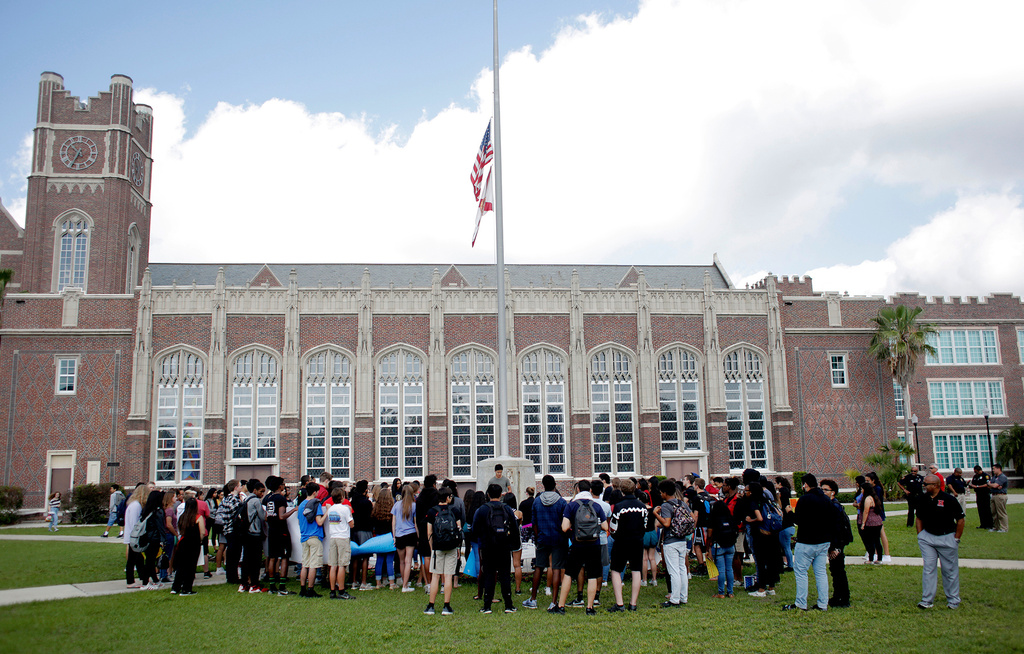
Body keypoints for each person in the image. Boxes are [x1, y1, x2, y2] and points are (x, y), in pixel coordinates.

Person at [550, 479, 607, 616]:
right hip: (594, 544)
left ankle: (561, 606)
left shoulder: (572, 506)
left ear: (577, 490)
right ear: (591, 490)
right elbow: (605, 526)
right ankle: (589, 607)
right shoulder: (597, 506)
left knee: (569, 574)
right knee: (592, 575)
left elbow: (564, 527)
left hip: (577, 544)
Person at [781, 474, 830, 612]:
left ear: (806, 485)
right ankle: (822, 604)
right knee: (820, 572)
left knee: (801, 572)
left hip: (807, 541)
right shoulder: (826, 499)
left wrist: (790, 512)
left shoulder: (804, 499)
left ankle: (801, 603)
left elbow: (798, 520)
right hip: (823, 540)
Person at [916, 474, 965, 609]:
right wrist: (921, 535)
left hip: (947, 537)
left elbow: (960, 520)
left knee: (949, 570)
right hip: (928, 538)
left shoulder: (949, 500)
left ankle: (953, 600)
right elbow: (918, 517)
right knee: (928, 569)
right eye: (924, 483)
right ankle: (927, 600)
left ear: (936, 485)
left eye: (927, 484)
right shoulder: (922, 499)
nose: (924, 486)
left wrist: (956, 538)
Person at [474, 483, 518, 614]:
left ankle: (487, 606)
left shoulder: (482, 509)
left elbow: (475, 529)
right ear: (501, 495)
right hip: (504, 546)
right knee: (505, 575)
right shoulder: (507, 509)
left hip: (487, 546)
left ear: (488, 495)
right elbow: (515, 529)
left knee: (489, 575)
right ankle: (509, 605)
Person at [525, 474, 567, 610]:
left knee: (538, 567)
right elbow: (564, 521)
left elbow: (534, 522)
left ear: (543, 485)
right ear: (554, 484)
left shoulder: (537, 501)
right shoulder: (561, 502)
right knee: (556, 568)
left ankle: (533, 599)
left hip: (543, 537)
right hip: (558, 538)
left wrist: (538, 536)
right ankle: (554, 602)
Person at [606, 478, 647, 612]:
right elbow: (645, 525)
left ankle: (619, 603)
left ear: (622, 490)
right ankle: (633, 603)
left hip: (621, 541)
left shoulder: (619, 506)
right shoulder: (642, 506)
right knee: (636, 570)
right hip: (637, 541)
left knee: (616, 570)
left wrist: (615, 535)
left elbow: (612, 527)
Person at [424, 486, 462, 615]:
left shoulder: (432, 511)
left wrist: (432, 547)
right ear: (448, 498)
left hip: (437, 547)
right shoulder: (454, 511)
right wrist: (457, 547)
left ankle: (431, 605)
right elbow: (458, 529)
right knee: (448, 576)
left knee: (435, 576)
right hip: (451, 546)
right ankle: (446, 606)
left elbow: (429, 532)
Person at [655, 479, 691, 607]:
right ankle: (683, 596)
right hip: (682, 539)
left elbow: (666, 523)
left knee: (673, 570)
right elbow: (691, 517)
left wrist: (656, 514)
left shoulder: (666, 505)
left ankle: (674, 599)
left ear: (665, 492)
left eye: (661, 492)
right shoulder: (681, 503)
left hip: (671, 540)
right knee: (682, 569)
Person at [821, 479, 852, 608]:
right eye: (821, 489)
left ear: (833, 492)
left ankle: (843, 598)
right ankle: (838, 596)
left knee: (838, 571)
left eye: (825, 490)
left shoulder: (834, 506)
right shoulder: (831, 505)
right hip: (835, 543)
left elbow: (837, 528)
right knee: (835, 570)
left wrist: (836, 547)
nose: (823, 492)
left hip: (837, 543)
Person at [745, 481, 780, 597]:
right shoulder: (766, 499)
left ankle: (761, 589)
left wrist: (751, 520)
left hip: (760, 535)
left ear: (751, 492)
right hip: (772, 534)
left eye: (747, 490)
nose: (745, 493)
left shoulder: (754, 502)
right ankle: (771, 587)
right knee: (771, 561)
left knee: (760, 562)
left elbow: (759, 518)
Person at [708, 477, 740, 598]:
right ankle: (730, 592)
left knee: (721, 570)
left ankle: (721, 592)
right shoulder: (729, 517)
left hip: (719, 545)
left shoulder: (714, 518)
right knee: (729, 569)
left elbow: (710, 534)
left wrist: (709, 546)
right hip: (730, 545)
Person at [264, 476, 296, 595]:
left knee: (272, 557)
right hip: (281, 530)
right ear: (279, 486)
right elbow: (282, 516)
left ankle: (272, 586)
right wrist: (294, 510)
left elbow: (267, 515)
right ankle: (282, 587)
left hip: (272, 530)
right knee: (284, 557)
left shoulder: (268, 498)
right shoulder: (280, 498)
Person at [170, 497, 206, 596]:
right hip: (193, 544)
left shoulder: (182, 517)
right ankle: (186, 589)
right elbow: (202, 532)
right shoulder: (198, 517)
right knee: (191, 567)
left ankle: (175, 587)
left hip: (183, 543)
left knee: (181, 566)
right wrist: (200, 539)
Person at [297, 481, 327, 597]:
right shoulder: (316, 504)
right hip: (314, 536)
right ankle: (311, 589)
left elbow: (300, 522)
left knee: (305, 564)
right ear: (315, 492)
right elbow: (319, 522)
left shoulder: (301, 505)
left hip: (304, 536)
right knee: (314, 565)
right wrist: (326, 513)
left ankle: (302, 588)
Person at [325, 486, 356, 600]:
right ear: (342, 497)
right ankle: (341, 590)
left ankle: (332, 590)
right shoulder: (345, 509)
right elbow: (351, 524)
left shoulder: (331, 509)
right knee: (342, 565)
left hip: (333, 536)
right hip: (343, 537)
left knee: (333, 565)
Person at [239, 479, 267, 593]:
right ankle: (254, 584)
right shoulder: (256, 501)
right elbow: (262, 516)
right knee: (255, 560)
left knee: (246, 559)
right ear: (255, 490)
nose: (262, 494)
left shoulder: (246, 499)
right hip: (255, 533)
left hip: (246, 532)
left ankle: (244, 583)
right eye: (261, 491)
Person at [416, 475, 439, 593]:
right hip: (435, 527)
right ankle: (439, 582)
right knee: (437, 554)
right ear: (434, 483)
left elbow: (418, 515)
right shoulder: (436, 495)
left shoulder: (420, 497)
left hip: (423, 527)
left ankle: (428, 583)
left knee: (426, 556)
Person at [392, 484, 418, 592]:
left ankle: (404, 582)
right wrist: (418, 536)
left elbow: (393, 522)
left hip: (399, 534)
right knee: (408, 561)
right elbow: (415, 523)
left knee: (401, 561)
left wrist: (394, 536)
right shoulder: (413, 505)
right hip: (410, 533)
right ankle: (405, 585)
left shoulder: (397, 505)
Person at [350, 480, 375, 591]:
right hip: (365, 529)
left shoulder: (352, 501)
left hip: (354, 530)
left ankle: (354, 581)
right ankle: (364, 582)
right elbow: (371, 515)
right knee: (365, 556)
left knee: (355, 557)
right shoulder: (367, 503)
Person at [123, 483, 148, 588]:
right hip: (134, 537)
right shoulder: (136, 506)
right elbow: (135, 523)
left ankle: (142, 578)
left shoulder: (133, 504)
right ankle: (131, 581)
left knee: (138, 559)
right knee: (133, 559)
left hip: (132, 536)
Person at [372, 486, 397, 589]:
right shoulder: (392, 508)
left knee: (379, 559)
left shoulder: (375, 508)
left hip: (379, 536)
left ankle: (378, 583)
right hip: (389, 536)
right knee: (390, 560)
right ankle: (391, 583)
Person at [218, 480, 242, 585]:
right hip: (234, 529)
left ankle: (231, 576)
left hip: (227, 529)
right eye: (240, 486)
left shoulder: (226, 499)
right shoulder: (234, 499)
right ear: (236, 487)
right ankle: (233, 577)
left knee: (231, 553)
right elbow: (238, 512)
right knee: (235, 554)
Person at [858, 480, 884, 564]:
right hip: (877, 521)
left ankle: (871, 559)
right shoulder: (874, 497)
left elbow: (866, 512)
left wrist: (863, 523)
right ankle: (879, 558)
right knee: (877, 541)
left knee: (870, 541)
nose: (861, 490)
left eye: (862, 489)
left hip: (870, 522)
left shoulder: (867, 499)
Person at [969, 465, 993, 530]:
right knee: (980, 509)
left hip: (985, 494)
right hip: (978, 494)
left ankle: (989, 524)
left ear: (979, 470)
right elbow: (973, 483)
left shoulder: (985, 476)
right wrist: (971, 485)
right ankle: (983, 524)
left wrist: (978, 486)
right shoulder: (975, 476)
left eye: (976, 471)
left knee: (987, 509)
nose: (975, 473)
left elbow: (987, 484)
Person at [988, 464, 1009, 532]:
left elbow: (995, 485)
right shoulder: (994, 477)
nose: (993, 470)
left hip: (1000, 496)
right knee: (994, 512)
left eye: (994, 469)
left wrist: (993, 485)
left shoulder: (1002, 477)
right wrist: (993, 485)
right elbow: (989, 485)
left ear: (999, 469)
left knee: (1001, 512)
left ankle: (1004, 528)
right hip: (993, 495)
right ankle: (996, 527)